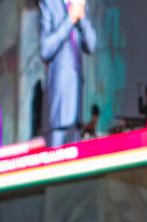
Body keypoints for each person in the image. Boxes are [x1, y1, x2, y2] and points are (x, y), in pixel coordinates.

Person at [39, 0, 96, 147]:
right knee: (56, 156)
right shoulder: (49, 3)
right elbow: (45, 49)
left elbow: (91, 45)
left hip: (76, 105)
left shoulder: (80, 5)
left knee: (75, 153)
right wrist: (70, 19)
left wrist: (82, 17)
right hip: (59, 105)